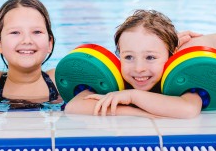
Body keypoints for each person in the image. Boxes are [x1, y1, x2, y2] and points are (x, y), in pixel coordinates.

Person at [65, 9, 202, 118]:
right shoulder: (116, 82)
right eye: (129, 57)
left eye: (150, 57)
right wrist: (136, 112)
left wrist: (132, 96)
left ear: (171, 56)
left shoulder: (180, 80)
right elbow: (73, 106)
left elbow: (189, 109)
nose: (139, 68)